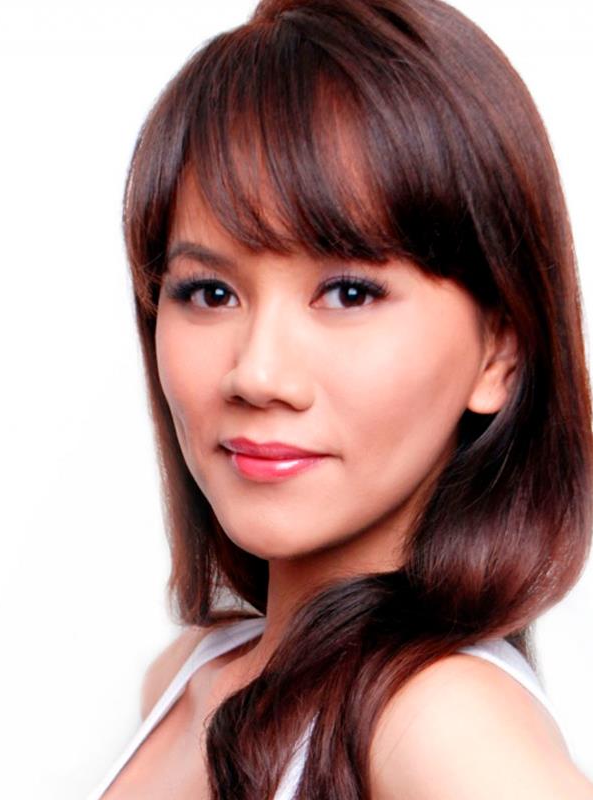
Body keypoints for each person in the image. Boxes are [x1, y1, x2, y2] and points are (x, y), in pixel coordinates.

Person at [87, 0, 593, 797]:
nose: (258, 374)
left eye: (350, 292)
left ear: (500, 350)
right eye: (210, 291)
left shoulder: (442, 721)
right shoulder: (186, 675)